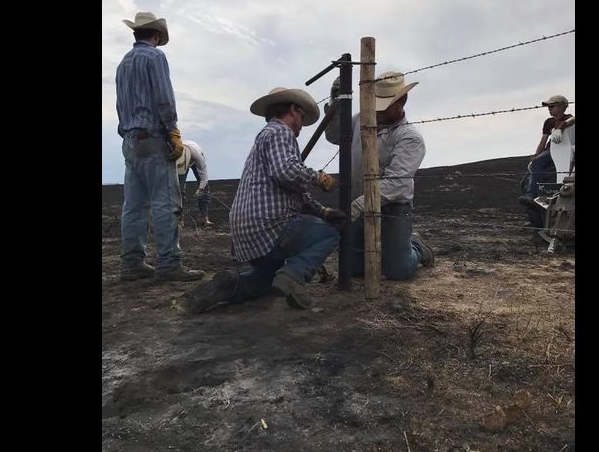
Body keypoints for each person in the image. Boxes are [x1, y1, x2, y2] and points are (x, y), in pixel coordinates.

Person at [186, 88, 346, 313]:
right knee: (330, 233)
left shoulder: (265, 137)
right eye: (302, 117)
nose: (301, 125)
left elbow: (292, 188)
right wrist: (317, 177)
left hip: (245, 232)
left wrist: (323, 211)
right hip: (269, 226)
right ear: (292, 110)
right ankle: (294, 276)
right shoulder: (281, 132)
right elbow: (285, 171)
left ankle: (232, 286)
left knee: (267, 281)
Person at [114, 11, 205, 283]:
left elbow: (120, 106)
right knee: (166, 201)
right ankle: (169, 263)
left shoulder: (123, 63)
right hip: (153, 137)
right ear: (156, 35)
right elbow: (164, 99)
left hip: (130, 139)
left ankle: (131, 263)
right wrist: (173, 131)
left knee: (134, 204)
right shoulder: (155, 57)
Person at [324, 71, 434, 281]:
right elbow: (334, 135)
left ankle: (417, 247)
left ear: (402, 101)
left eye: (387, 104)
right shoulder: (360, 120)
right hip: (359, 202)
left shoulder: (409, 137)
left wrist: (358, 205)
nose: (379, 109)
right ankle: (394, 248)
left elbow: (396, 184)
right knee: (354, 269)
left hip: (392, 208)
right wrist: (336, 104)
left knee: (397, 270)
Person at [519, 94, 575, 209]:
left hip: (562, 150)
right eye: (548, 107)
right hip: (549, 149)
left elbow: (573, 119)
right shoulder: (548, 122)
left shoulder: (568, 118)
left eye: (552, 106)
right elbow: (543, 141)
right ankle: (533, 207)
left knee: (538, 164)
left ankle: (531, 195)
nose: (549, 109)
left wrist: (560, 128)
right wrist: (536, 155)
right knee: (527, 178)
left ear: (561, 106)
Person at [175, 139, 212, 226]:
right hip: (180, 163)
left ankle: (204, 217)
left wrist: (200, 189)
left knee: (205, 188)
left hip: (194, 157)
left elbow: (204, 177)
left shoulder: (198, 156)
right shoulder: (175, 153)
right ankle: (179, 219)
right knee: (178, 189)